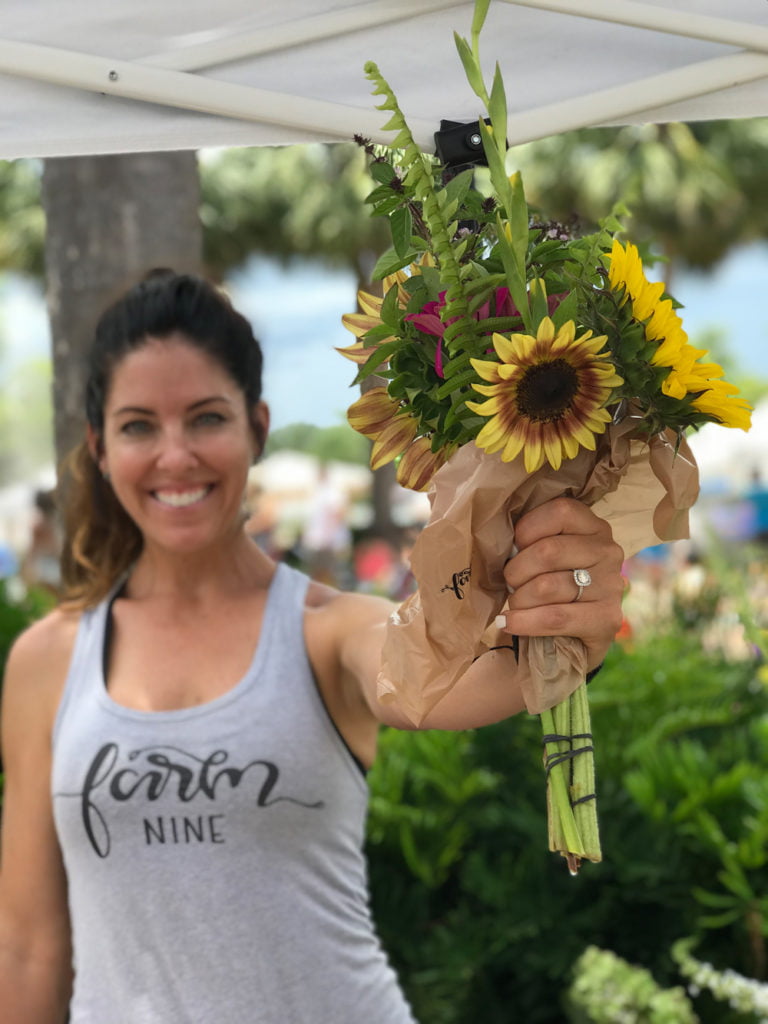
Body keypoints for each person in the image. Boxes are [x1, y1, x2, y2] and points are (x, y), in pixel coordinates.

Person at [0, 270, 624, 1024]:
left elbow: (436, 682)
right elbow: (27, 946)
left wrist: (568, 621)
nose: (175, 456)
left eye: (205, 419)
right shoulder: (48, 661)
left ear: (257, 427)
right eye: (138, 426)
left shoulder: (327, 630)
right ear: (100, 448)